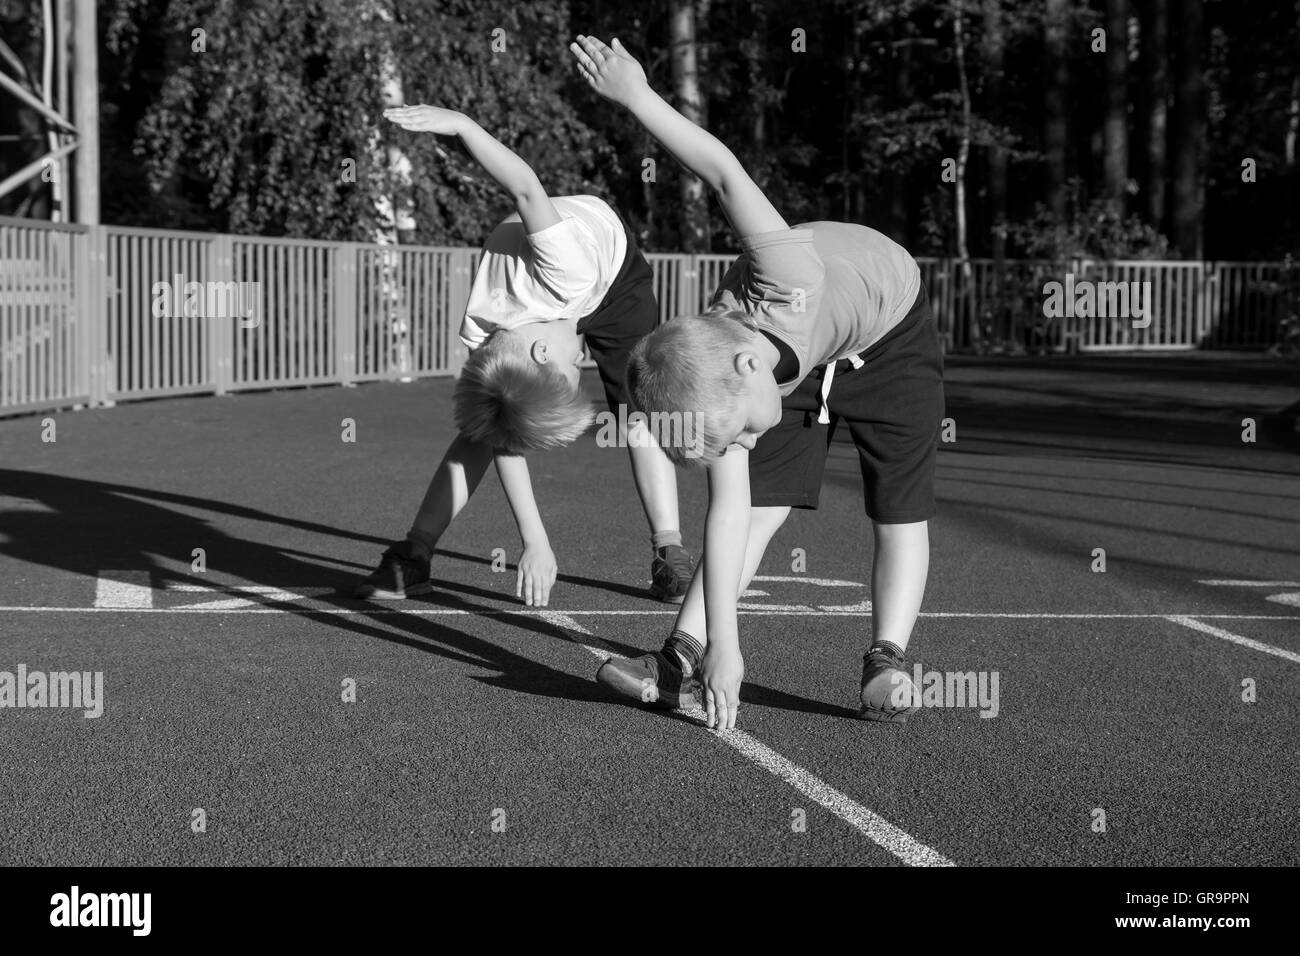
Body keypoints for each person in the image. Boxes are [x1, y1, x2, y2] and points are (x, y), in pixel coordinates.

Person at [570, 36, 944, 728]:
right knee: (756, 509)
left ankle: (886, 660)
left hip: (890, 329)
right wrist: (728, 650)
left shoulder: (785, 279)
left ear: (748, 369)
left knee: (898, 507)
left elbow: (723, 173)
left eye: (741, 429)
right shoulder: (725, 377)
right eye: (737, 435)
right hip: (796, 358)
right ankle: (678, 658)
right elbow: (727, 514)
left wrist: (638, 97)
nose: (745, 438)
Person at [356, 105, 694, 606]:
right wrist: (534, 540)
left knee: (638, 411)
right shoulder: (484, 337)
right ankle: (414, 553)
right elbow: (501, 435)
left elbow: (527, 189)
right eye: (575, 371)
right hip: (550, 298)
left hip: (612, 277)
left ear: (542, 350)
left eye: (572, 371)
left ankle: (670, 551)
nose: (581, 364)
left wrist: (466, 129)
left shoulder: (568, 270)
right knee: (483, 427)